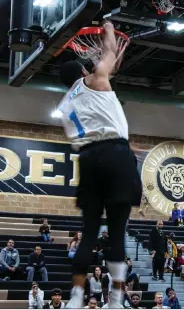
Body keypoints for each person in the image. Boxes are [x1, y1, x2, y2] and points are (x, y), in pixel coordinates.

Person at [58, 21, 141, 309]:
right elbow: (107, 55)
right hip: (116, 156)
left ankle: (76, 299)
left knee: (89, 232)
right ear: (83, 72)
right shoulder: (95, 79)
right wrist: (108, 29)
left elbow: (98, 127)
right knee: (117, 232)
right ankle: (116, 300)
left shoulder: (65, 105)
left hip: (89, 160)